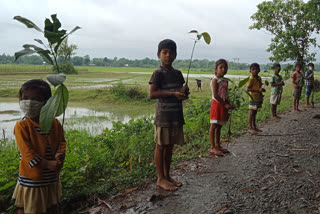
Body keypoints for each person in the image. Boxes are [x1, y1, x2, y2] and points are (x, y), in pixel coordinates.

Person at [12, 79, 66, 214]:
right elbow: (27, 153)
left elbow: (61, 142)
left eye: (36, 99)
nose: (29, 103)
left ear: (47, 102)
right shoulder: (22, 126)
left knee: (51, 206)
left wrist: (60, 154)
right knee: (29, 208)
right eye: (25, 98)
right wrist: (48, 164)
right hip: (32, 179)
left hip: (51, 177)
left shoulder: (55, 123)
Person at [149, 39, 188, 191]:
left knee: (170, 147)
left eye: (171, 52)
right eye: (165, 52)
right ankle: (160, 178)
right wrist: (173, 94)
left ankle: (167, 175)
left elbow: (180, 93)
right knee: (161, 146)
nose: (168, 55)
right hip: (163, 117)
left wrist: (184, 94)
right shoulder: (157, 73)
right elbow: (152, 94)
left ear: (176, 54)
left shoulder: (178, 74)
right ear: (158, 54)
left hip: (175, 115)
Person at [209, 59, 234, 156]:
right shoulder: (215, 80)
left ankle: (218, 145)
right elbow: (215, 95)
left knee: (219, 126)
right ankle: (212, 147)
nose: (223, 70)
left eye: (225, 68)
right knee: (214, 125)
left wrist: (229, 103)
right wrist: (225, 104)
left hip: (223, 104)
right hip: (217, 105)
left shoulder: (225, 81)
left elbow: (226, 93)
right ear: (216, 69)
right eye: (221, 67)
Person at [247, 63, 265, 134]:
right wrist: (258, 90)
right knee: (251, 112)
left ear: (259, 70)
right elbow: (248, 89)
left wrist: (261, 91)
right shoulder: (251, 79)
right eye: (253, 69)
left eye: (256, 69)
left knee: (255, 112)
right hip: (253, 98)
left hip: (258, 98)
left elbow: (259, 87)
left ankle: (254, 126)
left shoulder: (259, 78)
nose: (255, 71)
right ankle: (250, 127)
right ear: (250, 71)